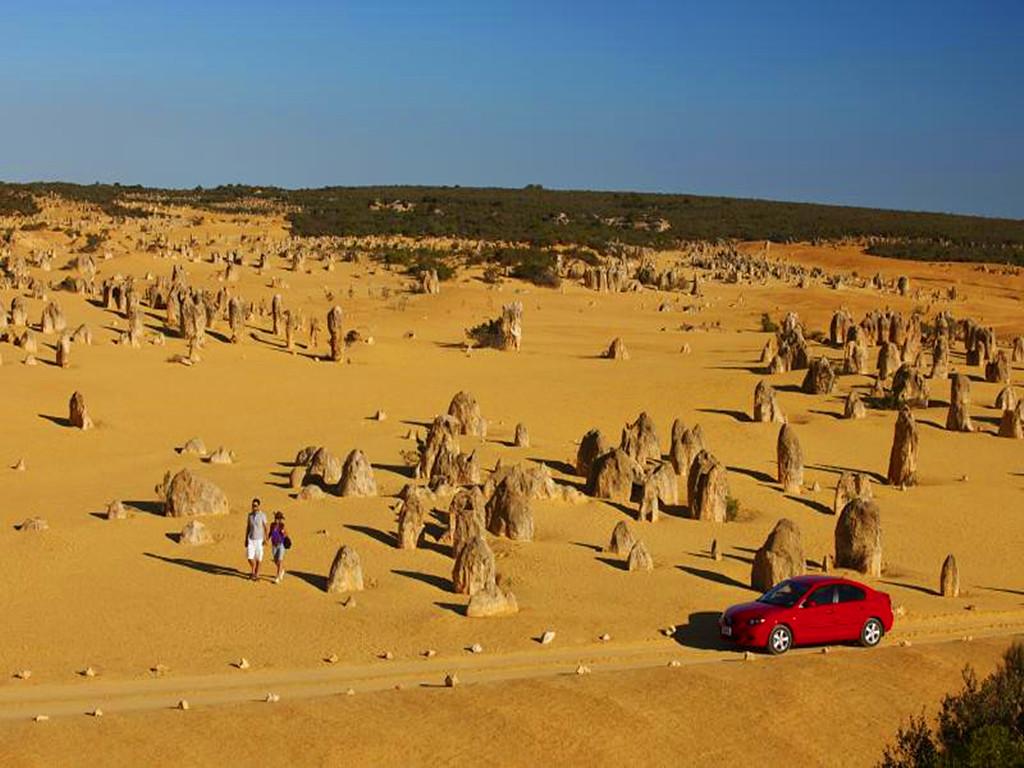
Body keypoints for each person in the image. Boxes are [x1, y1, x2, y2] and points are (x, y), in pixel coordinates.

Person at [245, 498, 269, 581]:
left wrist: (266, 539)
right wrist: (245, 539)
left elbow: (266, 528)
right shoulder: (250, 515)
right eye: (252, 505)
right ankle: (254, 570)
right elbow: (248, 527)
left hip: (259, 540)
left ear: (258, 506)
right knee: (249, 557)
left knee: (259, 558)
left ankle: (256, 574)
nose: (253, 507)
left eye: (255, 505)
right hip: (251, 539)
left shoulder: (263, 515)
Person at [269, 511, 289, 584]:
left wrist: (283, 533)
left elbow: (286, 535)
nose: (276, 520)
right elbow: (270, 533)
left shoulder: (282, 526)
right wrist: (267, 539)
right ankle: (282, 570)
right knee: (275, 560)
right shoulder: (272, 525)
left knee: (280, 560)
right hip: (274, 545)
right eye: (276, 518)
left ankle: (277, 577)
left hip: (281, 545)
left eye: (278, 518)